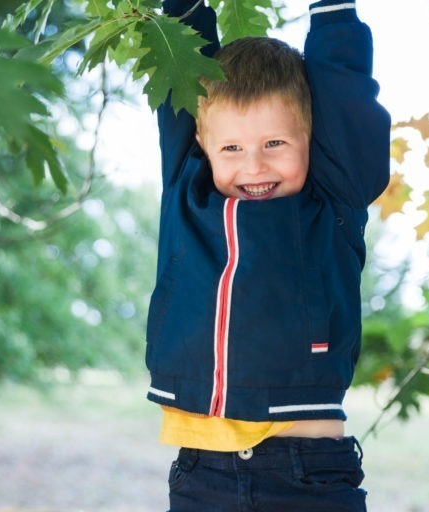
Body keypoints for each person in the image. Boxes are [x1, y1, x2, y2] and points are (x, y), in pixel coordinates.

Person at [145, 0, 391, 510]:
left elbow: (344, 90)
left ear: (311, 138)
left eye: (275, 142)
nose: (253, 166)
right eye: (231, 148)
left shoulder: (332, 200)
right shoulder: (186, 190)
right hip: (199, 475)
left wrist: (333, 13)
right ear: (203, 143)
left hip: (309, 474)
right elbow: (179, 62)